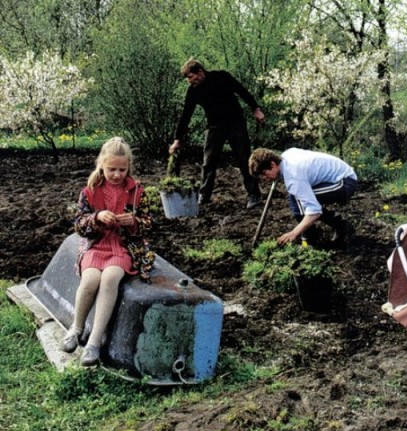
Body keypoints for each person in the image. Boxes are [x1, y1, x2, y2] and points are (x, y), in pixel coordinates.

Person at [61, 137, 155, 367]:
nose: (116, 174)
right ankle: (77, 327)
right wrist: (96, 217)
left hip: (123, 246)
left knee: (111, 277)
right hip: (97, 244)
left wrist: (133, 222)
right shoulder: (90, 190)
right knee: (91, 277)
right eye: (111, 169)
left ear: (128, 167)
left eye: (122, 169)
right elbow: (79, 225)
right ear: (101, 165)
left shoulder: (137, 192)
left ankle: (94, 342)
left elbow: (148, 223)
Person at [169, 58, 265, 209]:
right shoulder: (193, 91)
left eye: (190, 77)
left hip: (236, 123)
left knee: (244, 158)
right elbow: (185, 115)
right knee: (208, 162)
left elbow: (242, 91)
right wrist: (177, 139)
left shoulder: (222, 77)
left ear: (200, 72)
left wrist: (256, 109)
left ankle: (254, 195)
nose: (189, 81)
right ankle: (204, 195)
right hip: (215, 126)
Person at [248, 147, 358, 247]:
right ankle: (333, 229)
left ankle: (315, 238)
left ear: (273, 164)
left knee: (304, 201)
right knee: (296, 199)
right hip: (334, 179)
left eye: (264, 173)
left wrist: (294, 233)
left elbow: (314, 210)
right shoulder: (285, 155)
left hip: (344, 182)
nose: (265, 178)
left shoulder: (293, 176)